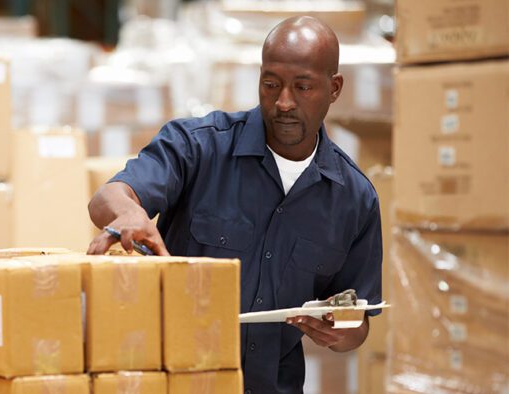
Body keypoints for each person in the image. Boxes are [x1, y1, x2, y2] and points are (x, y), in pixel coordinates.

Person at [87, 16, 382, 394]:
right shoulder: (198, 147)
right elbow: (107, 197)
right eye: (270, 84)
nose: (283, 102)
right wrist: (128, 213)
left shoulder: (354, 199)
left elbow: (358, 324)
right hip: (178, 383)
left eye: (303, 87)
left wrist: (338, 330)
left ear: (334, 88)